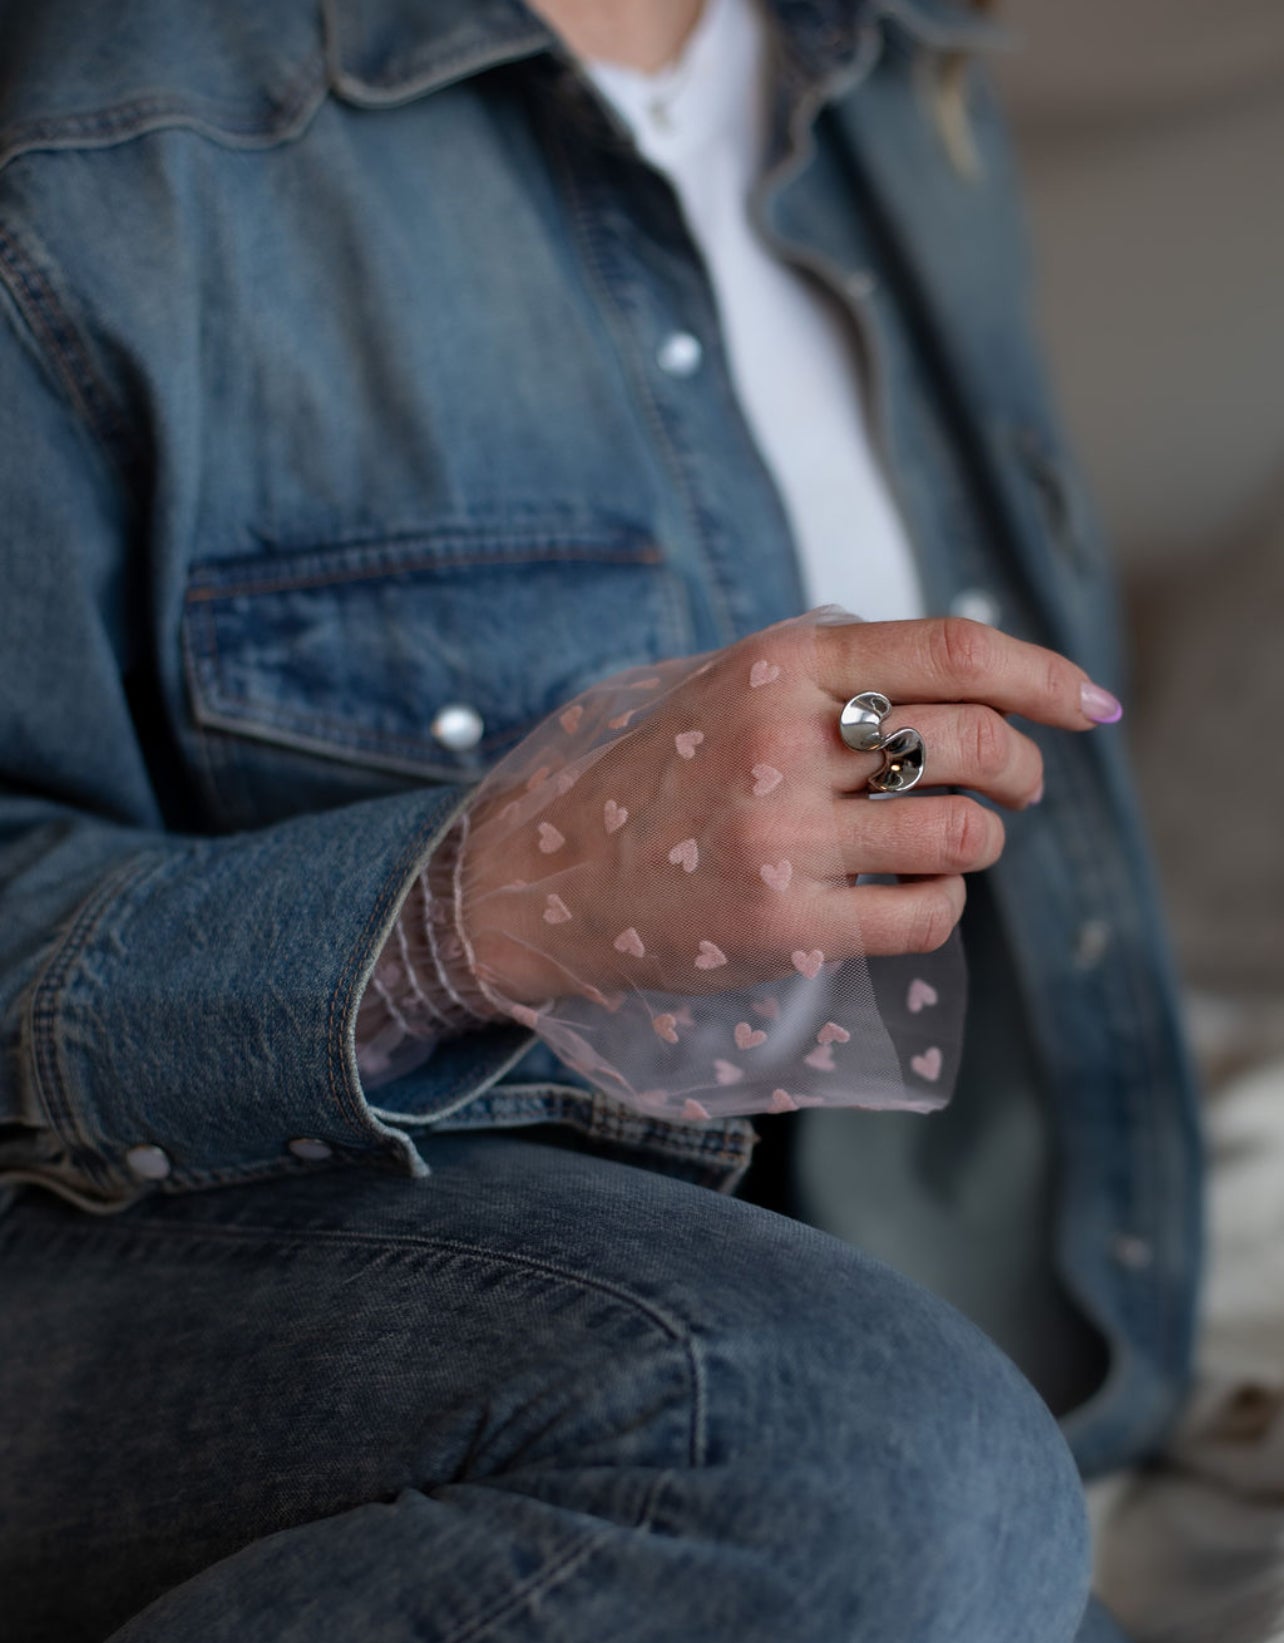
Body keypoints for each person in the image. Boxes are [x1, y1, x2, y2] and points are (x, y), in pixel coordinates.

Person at [0, 0, 1200, 1638]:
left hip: (862, 1320)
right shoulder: (100, 135)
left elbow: (884, 745)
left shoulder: (891, 66)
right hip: (136, 1249)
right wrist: (471, 900)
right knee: (849, 1453)